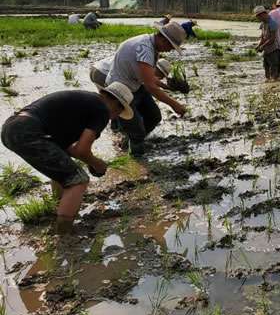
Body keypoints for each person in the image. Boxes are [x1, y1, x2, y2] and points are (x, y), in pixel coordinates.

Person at [1, 83, 133, 235]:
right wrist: (97, 164)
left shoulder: (86, 102)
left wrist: (89, 161)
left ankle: (60, 205)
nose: (115, 117)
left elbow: (69, 149)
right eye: (120, 111)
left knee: (64, 171)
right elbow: (82, 150)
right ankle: (64, 232)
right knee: (78, 180)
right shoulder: (102, 109)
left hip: (12, 128)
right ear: (116, 103)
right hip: (27, 131)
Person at [104, 20, 187, 155]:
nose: (171, 50)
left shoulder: (151, 45)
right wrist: (174, 104)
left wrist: (167, 87)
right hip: (120, 90)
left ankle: (127, 142)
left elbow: (149, 78)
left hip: (135, 85)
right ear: (164, 39)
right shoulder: (145, 49)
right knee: (136, 130)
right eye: (171, 46)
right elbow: (150, 86)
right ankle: (136, 159)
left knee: (154, 116)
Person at [254, 5, 280, 80]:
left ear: (263, 14)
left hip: (273, 50)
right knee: (266, 66)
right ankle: (267, 81)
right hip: (266, 50)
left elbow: (272, 39)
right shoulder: (263, 23)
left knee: (273, 67)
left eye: (258, 17)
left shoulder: (272, 23)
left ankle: (274, 82)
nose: (258, 18)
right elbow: (263, 37)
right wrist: (258, 45)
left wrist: (262, 46)